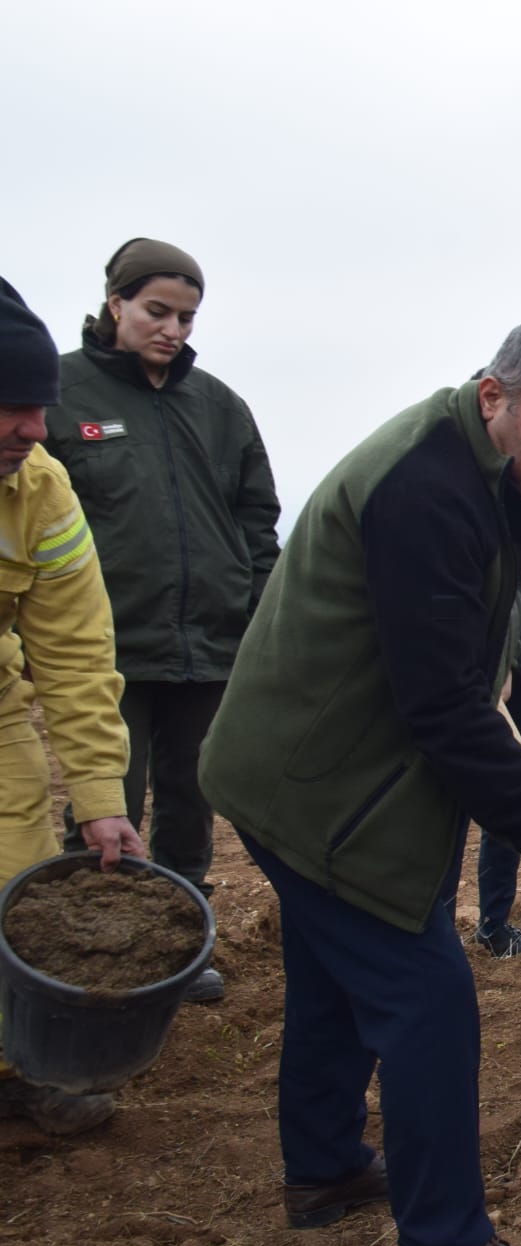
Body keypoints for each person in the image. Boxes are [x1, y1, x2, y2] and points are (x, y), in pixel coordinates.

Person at [199, 318, 521, 1246]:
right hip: (314, 783)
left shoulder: (484, 474)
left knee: (336, 972)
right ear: (492, 397)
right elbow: (439, 707)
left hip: (328, 766)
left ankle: (325, 1167)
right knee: (426, 995)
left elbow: (450, 677)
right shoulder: (424, 490)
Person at [42, 239, 280, 1004]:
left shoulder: (218, 405)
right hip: (104, 649)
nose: (172, 329)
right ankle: (96, 952)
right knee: (107, 801)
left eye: (186, 316)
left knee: (190, 799)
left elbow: (257, 522)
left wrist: (252, 616)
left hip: (207, 646)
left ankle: (178, 944)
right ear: (115, 303)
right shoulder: (59, 394)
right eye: (156, 311)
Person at [0, 279, 145, 1137]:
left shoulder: (41, 490)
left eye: (40, 407)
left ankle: (14, 1070)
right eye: (12, 408)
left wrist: (99, 796)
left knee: (14, 889)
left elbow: (78, 649)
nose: (36, 429)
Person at [434, 585, 521, 958]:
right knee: (448, 797)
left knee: (507, 789)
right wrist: (497, 659)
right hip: (473, 663)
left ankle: (494, 924)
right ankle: (437, 928)